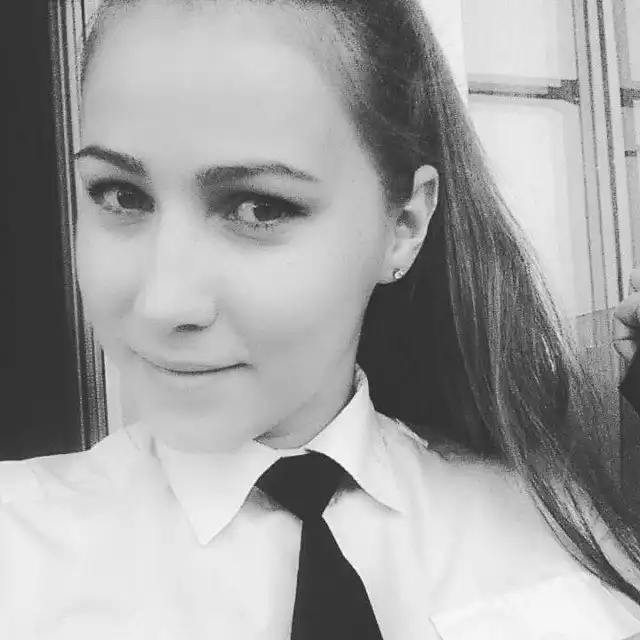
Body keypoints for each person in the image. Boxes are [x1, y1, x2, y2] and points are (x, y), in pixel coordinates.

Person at [2, 0, 640, 637]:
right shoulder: (20, 550)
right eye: (121, 195)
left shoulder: (559, 537)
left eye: (259, 207)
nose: (163, 304)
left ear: (404, 225)